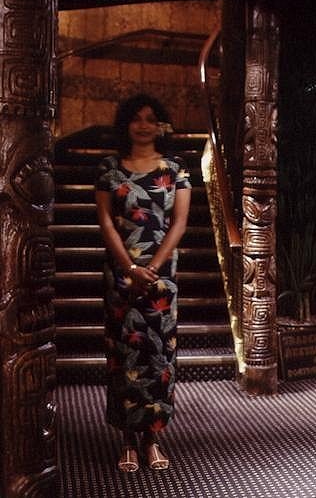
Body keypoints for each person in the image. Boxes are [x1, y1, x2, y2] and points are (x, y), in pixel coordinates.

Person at [95, 94, 191, 473]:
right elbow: (106, 221)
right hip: (120, 272)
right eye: (136, 118)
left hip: (161, 275)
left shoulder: (175, 168)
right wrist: (130, 267)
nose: (144, 125)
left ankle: (152, 439)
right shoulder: (109, 168)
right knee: (123, 354)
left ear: (160, 125)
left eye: (151, 119)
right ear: (126, 124)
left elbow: (179, 223)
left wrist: (151, 266)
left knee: (158, 356)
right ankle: (126, 441)